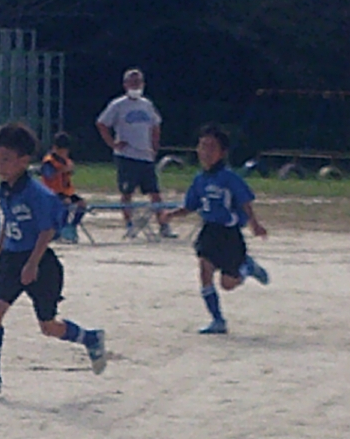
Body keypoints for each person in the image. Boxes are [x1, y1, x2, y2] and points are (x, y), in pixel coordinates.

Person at [0, 123, 106, 394]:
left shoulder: (37, 193)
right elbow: (9, 218)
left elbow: (47, 230)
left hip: (39, 261)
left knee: (48, 326)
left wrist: (32, 263)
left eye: (6, 160)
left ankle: (90, 338)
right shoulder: (5, 187)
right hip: (11, 258)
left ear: (23, 160)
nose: (0, 165)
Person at [163, 123, 269, 334]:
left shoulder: (229, 178)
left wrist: (254, 224)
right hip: (209, 231)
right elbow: (191, 205)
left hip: (229, 234)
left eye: (211, 147)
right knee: (204, 269)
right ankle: (218, 320)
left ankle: (247, 267)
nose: (205, 152)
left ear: (222, 152)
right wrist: (171, 215)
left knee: (228, 284)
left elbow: (245, 202)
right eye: (202, 146)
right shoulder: (199, 179)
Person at [96, 68, 176, 239]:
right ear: (125, 84)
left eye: (138, 82)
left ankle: (164, 225)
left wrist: (155, 146)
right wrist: (112, 143)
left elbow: (156, 124)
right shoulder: (118, 105)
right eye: (132, 82)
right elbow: (102, 123)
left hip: (145, 155)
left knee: (155, 193)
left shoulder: (147, 104)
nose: (135, 85)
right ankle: (130, 225)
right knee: (127, 192)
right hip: (126, 155)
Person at [39, 131, 86, 242]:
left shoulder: (67, 161)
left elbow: (70, 173)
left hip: (66, 191)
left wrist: (70, 169)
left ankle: (72, 226)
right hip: (52, 192)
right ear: (55, 148)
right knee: (66, 202)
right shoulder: (49, 161)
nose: (64, 153)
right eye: (61, 151)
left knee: (82, 203)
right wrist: (62, 170)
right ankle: (61, 228)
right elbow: (48, 175)